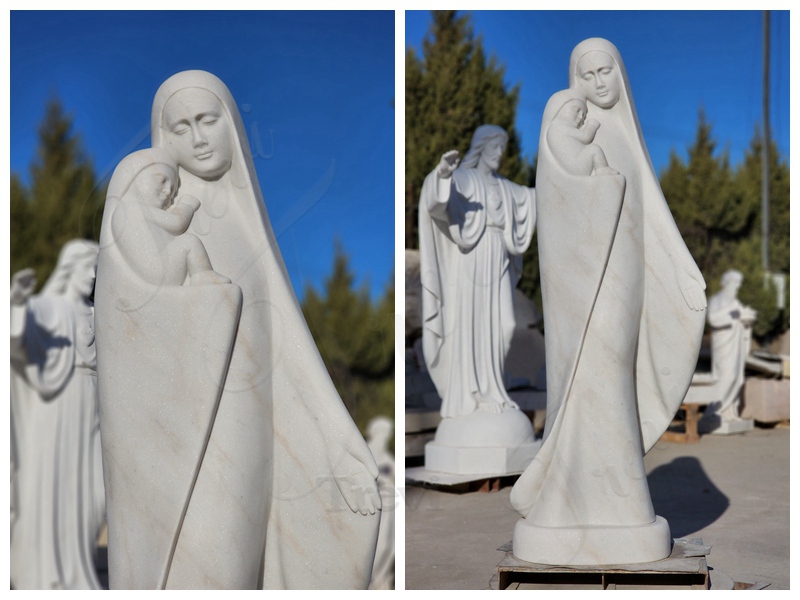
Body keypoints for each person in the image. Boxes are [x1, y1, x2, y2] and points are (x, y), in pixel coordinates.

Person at [95, 71, 380, 589]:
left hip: (246, 422)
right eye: (181, 128)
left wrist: (340, 445)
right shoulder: (146, 213)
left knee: (235, 560)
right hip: (177, 426)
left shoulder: (247, 226)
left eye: (208, 120)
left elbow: (288, 351)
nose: (199, 138)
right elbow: (125, 323)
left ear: (232, 125)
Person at [510, 38, 707, 565]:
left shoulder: (624, 135)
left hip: (623, 282)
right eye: (590, 74)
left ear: (620, 74)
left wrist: (683, 273)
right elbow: (558, 213)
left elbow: (655, 218)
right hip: (583, 285)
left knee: (612, 377)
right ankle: (565, 499)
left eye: (608, 72)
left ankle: (621, 499)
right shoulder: (562, 130)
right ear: (576, 79)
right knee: (583, 380)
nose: (600, 83)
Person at [418, 125, 535, 418]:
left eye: (502, 149)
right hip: (473, 257)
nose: (500, 154)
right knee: (473, 323)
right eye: (495, 148)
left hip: (499, 256)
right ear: (481, 148)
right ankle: (475, 393)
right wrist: (443, 173)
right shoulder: (463, 179)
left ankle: (494, 388)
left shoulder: (505, 186)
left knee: (505, 325)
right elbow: (436, 203)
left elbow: (532, 199)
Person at [10, 240, 106, 589]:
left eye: (96, 269)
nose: (93, 276)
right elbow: (14, 338)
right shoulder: (50, 307)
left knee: (98, 491)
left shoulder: (99, 313)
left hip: (93, 408)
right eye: (87, 267)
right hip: (57, 409)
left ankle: (77, 566)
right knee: (55, 488)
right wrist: (17, 303)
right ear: (70, 269)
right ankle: (49, 575)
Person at [109, 148, 230, 287]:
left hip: (155, 272)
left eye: (172, 191)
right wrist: (186, 205)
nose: (168, 192)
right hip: (159, 271)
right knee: (188, 241)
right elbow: (177, 223)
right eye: (162, 180)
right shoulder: (131, 207)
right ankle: (202, 275)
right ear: (135, 177)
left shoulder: (125, 209)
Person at [546, 96, 617, 176]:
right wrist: (592, 125)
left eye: (583, 116)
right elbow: (586, 137)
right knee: (594, 149)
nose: (580, 117)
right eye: (577, 110)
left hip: (573, 165)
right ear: (561, 110)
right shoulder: (560, 128)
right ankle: (602, 169)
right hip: (577, 166)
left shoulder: (555, 128)